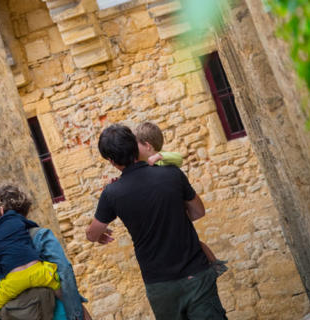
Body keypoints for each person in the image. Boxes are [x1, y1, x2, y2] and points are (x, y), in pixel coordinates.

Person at [86, 124, 227, 320]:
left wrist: (101, 234)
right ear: (135, 146)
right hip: (196, 274)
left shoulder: (112, 193)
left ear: (111, 161)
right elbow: (198, 212)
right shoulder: (171, 174)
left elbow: (92, 235)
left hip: (160, 285)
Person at [133, 121, 228, 276]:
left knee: (193, 241)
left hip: (175, 206)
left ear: (148, 146)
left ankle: (214, 263)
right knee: (188, 240)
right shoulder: (142, 164)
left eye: (137, 145)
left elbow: (178, 158)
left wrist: (159, 156)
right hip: (167, 206)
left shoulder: (162, 159)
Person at [0, 183, 89, 320]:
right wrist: (76, 312)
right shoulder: (41, 235)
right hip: (56, 312)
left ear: (0, 213)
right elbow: (64, 271)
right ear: (27, 210)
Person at [0, 193, 61, 320]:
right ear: (1, 210)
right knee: (60, 290)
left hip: (14, 280)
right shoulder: (14, 217)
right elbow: (31, 224)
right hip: (39, 272)